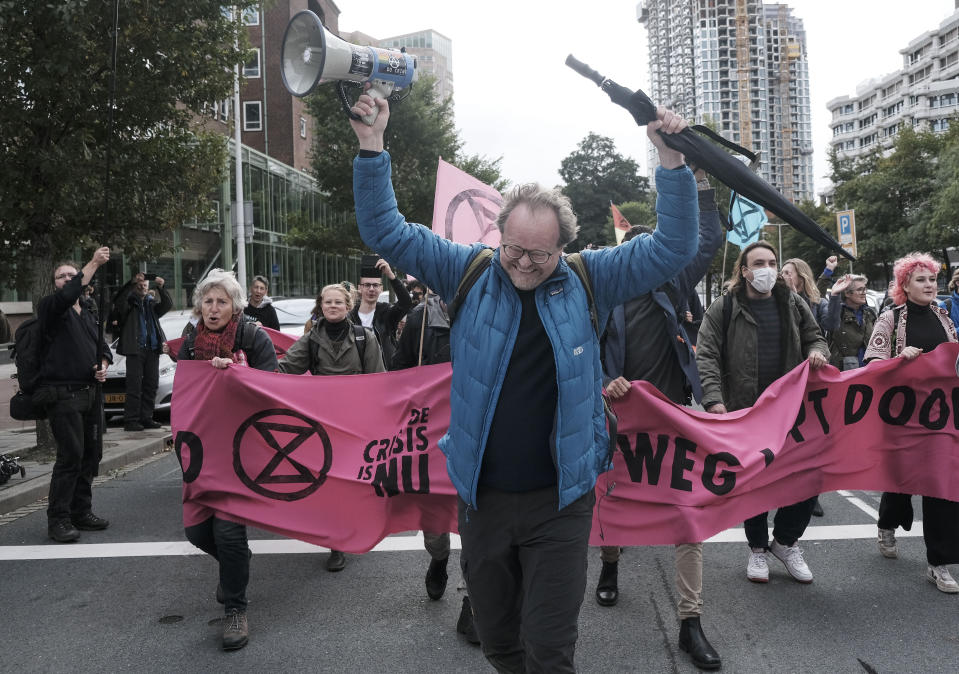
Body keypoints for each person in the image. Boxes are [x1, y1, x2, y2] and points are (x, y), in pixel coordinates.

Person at [349, 90, 699, 671]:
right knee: (499, 641)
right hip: (481, 499)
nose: (525, 264)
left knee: (550, 647)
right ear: (498, 239)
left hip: (561, 503)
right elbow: (385, 231)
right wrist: (370, 146)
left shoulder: (592, 279)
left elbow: (673, 248)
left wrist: (671, 162)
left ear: (564, 246)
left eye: (540, 255)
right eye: (514, 250)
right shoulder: (468, 272)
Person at [595, 169, 722, 672]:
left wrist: (704, 188)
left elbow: (708, 239)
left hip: (671, 417)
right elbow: (582, 349)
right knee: (615, 500)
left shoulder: (673, 283)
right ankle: (609, 568)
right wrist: (608, 379)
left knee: (686, 517)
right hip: (618, 420)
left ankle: (691, 622)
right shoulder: (604, 294)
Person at [695, 241, 829, 585]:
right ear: (744, 270)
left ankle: (785, 542)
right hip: (745, 410)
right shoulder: (723, 307)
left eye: (772, 261)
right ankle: (757, 549)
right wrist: (714, 400)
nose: (767, 268)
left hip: (792, 410)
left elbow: (817, 338)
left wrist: (816, 352)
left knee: (807, 477)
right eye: (759, 263)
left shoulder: (792, 302)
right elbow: (707, 354)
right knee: (753, 483)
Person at [178, 268, 278, 650]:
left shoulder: (253, 336)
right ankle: (234, 564)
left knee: (228, 531)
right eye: (208, 301)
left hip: (244, 451)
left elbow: (276, 389)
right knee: (197, 532)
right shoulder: (190, 342)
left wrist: (240, 374)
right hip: (203, 451)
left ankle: (236, 610)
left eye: (221, 301)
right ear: (199, 305)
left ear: (234, 306)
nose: (214, 308)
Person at [864, 252, 959, 593]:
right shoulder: (890, 319)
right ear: (904, 285)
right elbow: (872, 364)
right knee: (901, 481)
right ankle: (887, 523)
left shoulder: (945, 317)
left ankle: (939, 563)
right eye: (921, 280)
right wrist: (898, 360)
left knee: (943, 485)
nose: (930, 285)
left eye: (932, 279)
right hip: (903, 416)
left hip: (942, 416)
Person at [390, 291, 479, 643]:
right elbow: (398, 371)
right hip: (430, 436)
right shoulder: (420, 319)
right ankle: (439, 557)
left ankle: (472, 603)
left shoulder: (491, 315)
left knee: (477, 521)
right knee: (434, 523)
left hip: (476, 434)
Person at [278, 283, 385, 572]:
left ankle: (359, 524)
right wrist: (242, 369)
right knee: (330, 481)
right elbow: (285, 371)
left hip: (357, 422)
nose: (333, 306)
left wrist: (378, 422)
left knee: (355, 480)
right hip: (324, 424)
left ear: (348, 305)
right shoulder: (312, 339)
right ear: (321, 306)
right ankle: (336, 544)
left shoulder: (365, 337)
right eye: (328, 302)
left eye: (339, 302)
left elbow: (380, 382)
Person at [36, 247, 113, 543]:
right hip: (63, 395)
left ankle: (82, 510)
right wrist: (93, 262)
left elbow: (103, 349)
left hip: (91, 393)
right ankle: (58, 519)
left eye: (72, 274)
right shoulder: (51, 308)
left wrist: (102, 365)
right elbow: (68, 294)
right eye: (62, 276)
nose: (67, 279)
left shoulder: (88, 312)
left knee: (91, 455)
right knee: (70, 456)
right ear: (55, 283)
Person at [113, 272, 172, 431]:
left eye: (145, 284)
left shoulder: (151, 304)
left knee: (151, 385)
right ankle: (131, 420)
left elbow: (167, 305)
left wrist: (161, 288)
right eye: (140, 285)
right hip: (135, 349)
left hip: (152, 349)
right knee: (134, 386)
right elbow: (119, 300)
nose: (143, 286)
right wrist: (131, 283)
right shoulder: (129, 304)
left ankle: (146, 418)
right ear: (135, 287)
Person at [350, 258, 412, 368]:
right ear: (359, 288)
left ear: (381, 288)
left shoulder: (387, 313)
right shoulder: (350, 317)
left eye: (376, 285)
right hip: (357, 373)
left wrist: (390, 275)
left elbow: (406, 302)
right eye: (367, 285)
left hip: (384, 372)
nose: (371, 289)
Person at [821, 274, 876, 370]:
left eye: (864, 289)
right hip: (843, 373)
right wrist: (834, 295)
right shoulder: (838, 313)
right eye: (859, 290)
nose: (864, 293)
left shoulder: (869, 313)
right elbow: (829, 323)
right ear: (847, 293)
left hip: (868, 371)